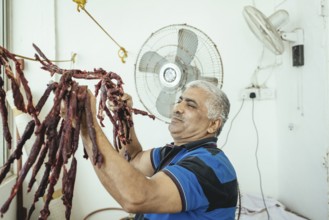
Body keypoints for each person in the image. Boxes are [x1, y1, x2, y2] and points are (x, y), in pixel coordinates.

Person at [80, 79, 238, 220]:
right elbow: (133, 160)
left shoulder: (210, 166)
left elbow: (136, 198)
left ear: (213, 125)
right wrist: (123, 115)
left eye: (190, 105)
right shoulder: (174, 152)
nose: (177, 108)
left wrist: (88, 125)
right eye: (179, 101)